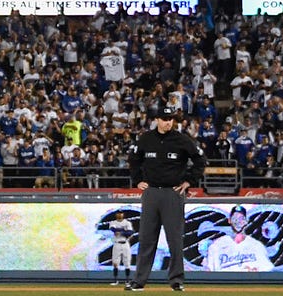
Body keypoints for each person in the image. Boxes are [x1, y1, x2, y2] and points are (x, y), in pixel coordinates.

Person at [126, 106, 205, 292]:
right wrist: (137, 181)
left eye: (171, 119)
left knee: (175, 239)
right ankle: (139, 281)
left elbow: (200, 160)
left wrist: (189, 181)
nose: (168, 122)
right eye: (164, 118)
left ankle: (176, 280)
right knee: (146, 238)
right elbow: (133, 160)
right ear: (157, 120)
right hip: (151, 192)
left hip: (173, 192)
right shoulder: (146, 139)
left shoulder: (182, 140)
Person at [204, 205, 271, 271]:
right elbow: (209, 272)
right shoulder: (216, 246)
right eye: (235, 218)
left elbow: (267, 271)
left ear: (246, 221)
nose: (238, 221)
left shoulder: (257, 246)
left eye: (241, 218)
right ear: (229, 220)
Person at [108, 211, 135, 285]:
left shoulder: (127, 223)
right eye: (118, 213)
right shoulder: (113, 222)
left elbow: (130, 232)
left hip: (125, 243)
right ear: (116, 215)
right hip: (117, 243)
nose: (119, 215)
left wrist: (121, 232)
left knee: (127, 262)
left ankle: (127, 280)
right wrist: (124, 231)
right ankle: (115, 280)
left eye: (121, 213)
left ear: (123, 214)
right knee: (115, 262)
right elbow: (113, 229)